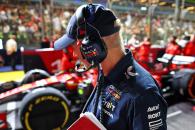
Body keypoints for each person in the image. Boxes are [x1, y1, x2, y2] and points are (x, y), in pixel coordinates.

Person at [54, 4, 167, 130]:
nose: (74, 54)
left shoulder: (143, 95)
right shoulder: (105, 72)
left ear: (91, 47)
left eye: (73, 46)